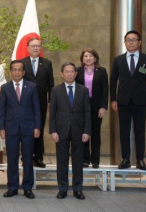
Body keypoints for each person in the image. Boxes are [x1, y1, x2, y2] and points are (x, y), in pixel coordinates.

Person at [110, 30, 146, 171]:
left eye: (134, 39)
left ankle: (140, 160)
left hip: (140, 101)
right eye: (128, 40)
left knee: (139, 131)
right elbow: (113, 81)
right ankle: (125, 159)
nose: (131, 42)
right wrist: (113, 99)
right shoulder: (118, 60)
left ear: (139, 42)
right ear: (125, 42)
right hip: (123, 101)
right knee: (124, 130)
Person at [0, 60, 41, 199]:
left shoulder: (32, 87)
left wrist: (37, 126)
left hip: (28, 127)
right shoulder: (5, 88)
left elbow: (36, 108)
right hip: (11, 128)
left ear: (23, 72)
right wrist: (1, 127)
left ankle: (27, 188)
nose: (16, 72)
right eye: (14, 70)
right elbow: (2, 110)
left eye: (19, 70)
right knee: (11, 158)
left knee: (28, 158)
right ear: (10, 72)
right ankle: (12, 187)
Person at [49, 62, 91, 200]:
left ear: (76, 73)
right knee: (62, 161)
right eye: (66, 71)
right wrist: (53, 131)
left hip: (79, 130)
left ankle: (77, 189)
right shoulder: (55, 90)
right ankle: (62, 189)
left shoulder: (83, 90)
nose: (69, 74)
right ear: (62, 74)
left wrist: (87, 131)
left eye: (71, 71)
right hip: (61, 130)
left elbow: (87, 113)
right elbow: (52, 113)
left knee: (78, 161)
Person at [21, 37, 54, 168]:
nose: (35, 48)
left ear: (40, 48)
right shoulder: (21, 63)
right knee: (26, 130)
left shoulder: (47, 63)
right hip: (25, 103)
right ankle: (26, 157)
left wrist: (51, 101)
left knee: (38, 129)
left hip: (41, 102)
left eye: (38, 46)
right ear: (28, 48)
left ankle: (38, 157)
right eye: (33, 46)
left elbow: (51, 84)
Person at [75, 48, 108, 169]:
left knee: (95, 133)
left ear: (95, 58)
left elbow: (105, 90)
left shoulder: (102, 71)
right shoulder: (77, 71)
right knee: (83, 133)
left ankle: (95, 160)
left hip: (96, 106)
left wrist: (103, 107)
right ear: (82, 59)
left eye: (90, 56)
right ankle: (84, 159)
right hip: (81, 106)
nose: (88, 58)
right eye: (85, 56)